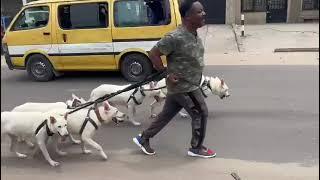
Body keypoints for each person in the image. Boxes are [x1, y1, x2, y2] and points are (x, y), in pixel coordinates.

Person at [132, 0, 216, 158]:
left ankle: (143, 138)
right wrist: (166, 74)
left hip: (188, 84)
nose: (203, 14)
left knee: (166, 115)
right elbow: (153, 54)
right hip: (184, 87)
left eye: (203, 10)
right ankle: (196, 148)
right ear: (187, 16)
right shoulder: (175, 37)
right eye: (199, 12)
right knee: (201, 112)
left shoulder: (193, 33)